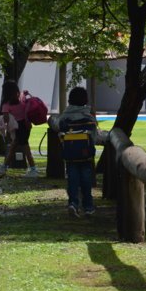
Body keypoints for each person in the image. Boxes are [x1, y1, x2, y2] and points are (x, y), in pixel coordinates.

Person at [48, 87, 97, 217]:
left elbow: (57, 127)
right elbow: (94, 137)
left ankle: (73, 203)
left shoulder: (65, 117)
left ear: (70, 100)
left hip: (70, 154)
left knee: (72, 180)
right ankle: (88, 207)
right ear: (85, 100)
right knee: (86, 181)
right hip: (86, 154)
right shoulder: (89, 117)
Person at [0, 81, 38, 178]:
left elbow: (6, 119)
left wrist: (5, 127)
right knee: (14, 147)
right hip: (25, 126)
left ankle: (33, 169)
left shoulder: (6, 105)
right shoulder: (22, 100)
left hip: (18, 127)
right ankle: (4, 167)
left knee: (26, 148)